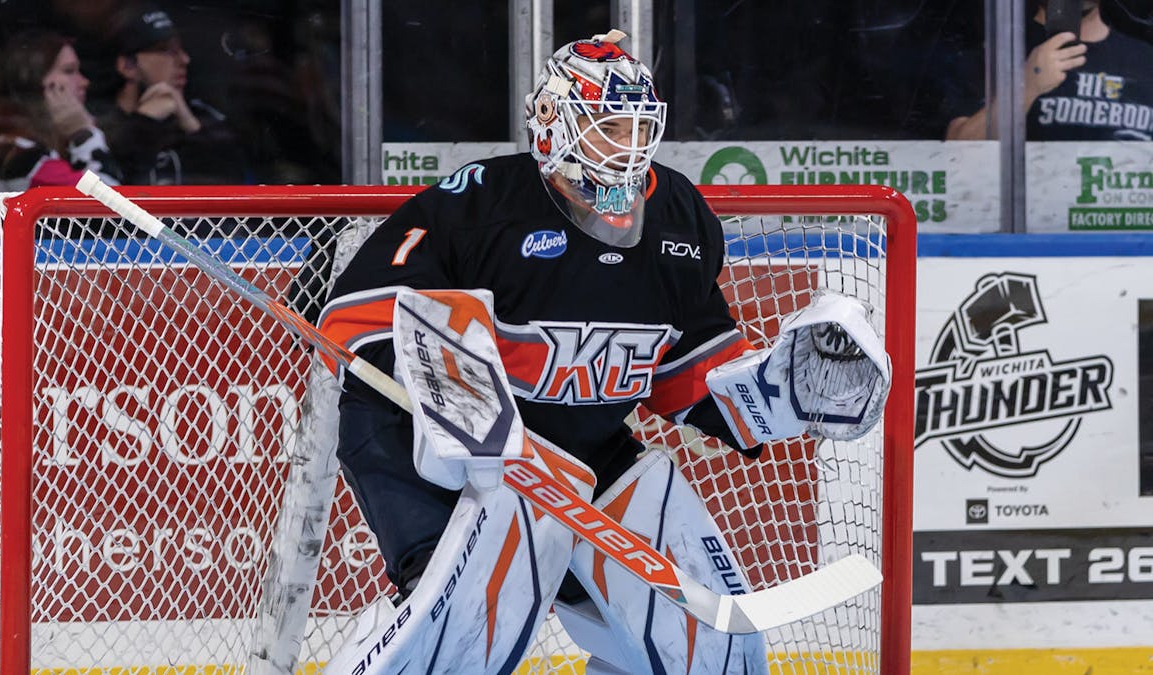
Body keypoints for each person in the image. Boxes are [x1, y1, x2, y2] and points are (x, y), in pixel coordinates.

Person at [316, 30, 890, 674]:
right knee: (464, 629)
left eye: (639, 129)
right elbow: (355, 315)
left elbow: (684, 366)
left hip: (585, 454)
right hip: (422, 442)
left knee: (713, 650)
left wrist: (778, 392)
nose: (630, 147)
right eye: (609, 127)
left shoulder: (679, 217)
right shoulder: (483, 202)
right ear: (552, 123)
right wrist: (468, 405)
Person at [0, 29, 120, 235]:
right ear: (35, 83)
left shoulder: (4, 142)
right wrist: (83, 132)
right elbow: (111, 207)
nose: (84, 82)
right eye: (69, 71)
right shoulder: (15, 153)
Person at [947, 0, 1153, 140]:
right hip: (1024, 203)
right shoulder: (996, 53)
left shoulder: (1146, 60)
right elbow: (956, 157)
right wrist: (1026, 88)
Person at [97, 4, 245, 184]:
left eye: (181, 50)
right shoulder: (99, 127)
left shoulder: (204, 118)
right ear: (128, 66)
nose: (184, 59)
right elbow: (110, 185)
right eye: (168, 51)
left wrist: (190, 124)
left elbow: (233, 182)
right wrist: (144, 122)